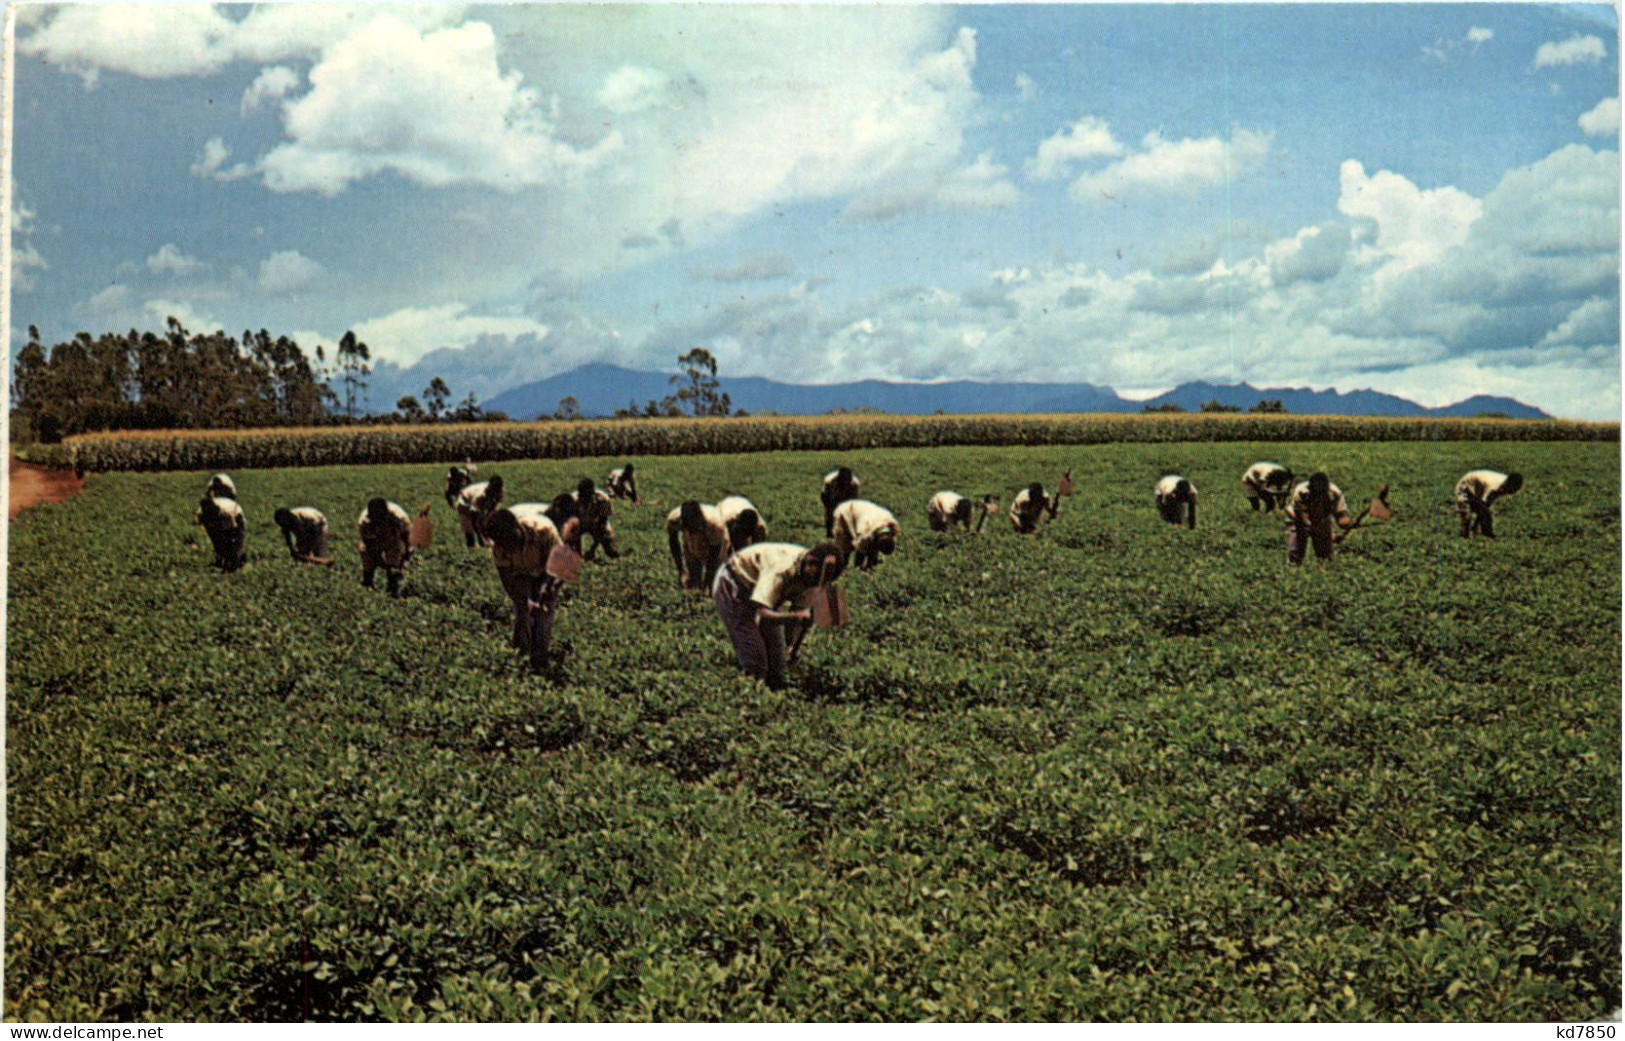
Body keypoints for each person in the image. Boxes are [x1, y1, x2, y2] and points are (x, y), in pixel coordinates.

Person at [713, 541, 846, 690]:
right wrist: (795, 617)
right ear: (809, 564)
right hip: (735, 585)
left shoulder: (815, 577)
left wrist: (791, 646)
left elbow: (798, 616)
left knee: (778, 668)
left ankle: (775, 696)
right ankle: (748, 695)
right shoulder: (780, 570)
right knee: (756, 661)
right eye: (814, 579)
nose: (814, 585)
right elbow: (762, 611)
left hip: (767, 597)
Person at [486, 504, 573, 672]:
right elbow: (508, 580)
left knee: (544, 612)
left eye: (511, 541)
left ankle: (540, 660)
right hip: (521, 573)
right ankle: (521, 657)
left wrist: (547, 590)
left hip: (547, 569)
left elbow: (561, 566)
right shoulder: (499, 547)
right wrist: (522, 600)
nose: (509, 548)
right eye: (504, 545)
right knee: (523, 612)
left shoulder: (543, 530)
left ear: (517, 529)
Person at [1284, 473, 1353, 564]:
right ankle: (1292, 569)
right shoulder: (1301, 491)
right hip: (1298, 519)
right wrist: (1330, 536)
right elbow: (1305, 520)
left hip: (1322, 518)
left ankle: (1324, 571)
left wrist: (1348, 524)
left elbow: (1341, 514)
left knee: (1326, 557)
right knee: (1296, 552)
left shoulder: (1334, 493)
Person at [666, 500, 728, 590]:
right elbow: (674, 542)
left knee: (716, 579)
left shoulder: (715, 524)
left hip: (715, 539)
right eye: (689, 526)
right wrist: (681, 571)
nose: (692, 529)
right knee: (693, 574)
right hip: (691, 539)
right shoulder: (674, 519)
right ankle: (696, 586)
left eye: (694, 526)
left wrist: (708, 579)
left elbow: (714, 554)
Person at [358, 497, 413, 596]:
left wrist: (406, 554)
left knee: (394, 559)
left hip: (393, 539)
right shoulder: (364, 521)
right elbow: (368, 543)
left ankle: (392, 587)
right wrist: (379, 560)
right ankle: (367, 582)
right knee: (365, 552)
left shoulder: (400, 517)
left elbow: (408, 537)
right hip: (375, 540)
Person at [832, 498, 900, 570]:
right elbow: (860, 547)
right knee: (844, 548)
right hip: (845, 512)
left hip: (863, 512)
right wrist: (859, 566)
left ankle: (866, 566)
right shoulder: (865, 530)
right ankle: (840, 568)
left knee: (869, 548)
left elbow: (874, 544)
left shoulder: (891, 524)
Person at [1455, 470, 1524, 539]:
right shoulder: (1494, 486)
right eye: (1512, 490)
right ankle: (1481, 535)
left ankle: (1480, 533)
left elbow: (1487, 504)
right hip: (1466, 486)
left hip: (1478, 487)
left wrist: (1476, 523)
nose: (1511, 493)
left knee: (1484, 512)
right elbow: (1484, 507)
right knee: (1467, 514)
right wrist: (1477, 524)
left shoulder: (1505, 484)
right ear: (1509, 485)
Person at [196, 493, 246, 572]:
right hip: (222, 517)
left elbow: (233, 530)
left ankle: (237, 560)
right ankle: (222, 559)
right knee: (219, 542)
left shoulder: (225, 512)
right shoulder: (201, 514)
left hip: (236, 515)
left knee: (235, 543)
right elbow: (210, 532)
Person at [574, 478, 621, 560]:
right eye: (582, 497)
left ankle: (614, 553)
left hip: (596, 523)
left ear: (592, 494)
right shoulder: (573, 501)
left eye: (587, 497)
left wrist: (592, 549)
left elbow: (602, 525)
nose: (585, 500)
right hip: (580, 523)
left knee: (610, 549)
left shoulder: (603, 499)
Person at [454, 474, 505, 547]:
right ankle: (471, 547)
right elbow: (475, 518)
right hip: (464, 502)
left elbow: (495, 508)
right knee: (469, 529)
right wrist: (481, 538)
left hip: (480, 503)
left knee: (486, 522)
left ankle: (486, 542)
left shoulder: (501, 491)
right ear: (490, 488)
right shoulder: (480, 495)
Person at [821, 467, 861, 536]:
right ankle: (830, 530)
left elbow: (854, 501)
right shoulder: (829, 480)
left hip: (848, 496)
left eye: (846, 481)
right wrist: (828, 507)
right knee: (830, 511)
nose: (844, 483)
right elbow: (824, 494)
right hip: (832, 494)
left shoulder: (855, 483)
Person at [928, 491, 995, 532]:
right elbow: (950, 520)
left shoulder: (965, 503)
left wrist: (987, 506)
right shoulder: (947, 508)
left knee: (955, 524)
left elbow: (974, 507)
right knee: (944, 527)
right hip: (936, 504)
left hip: (949, 501)